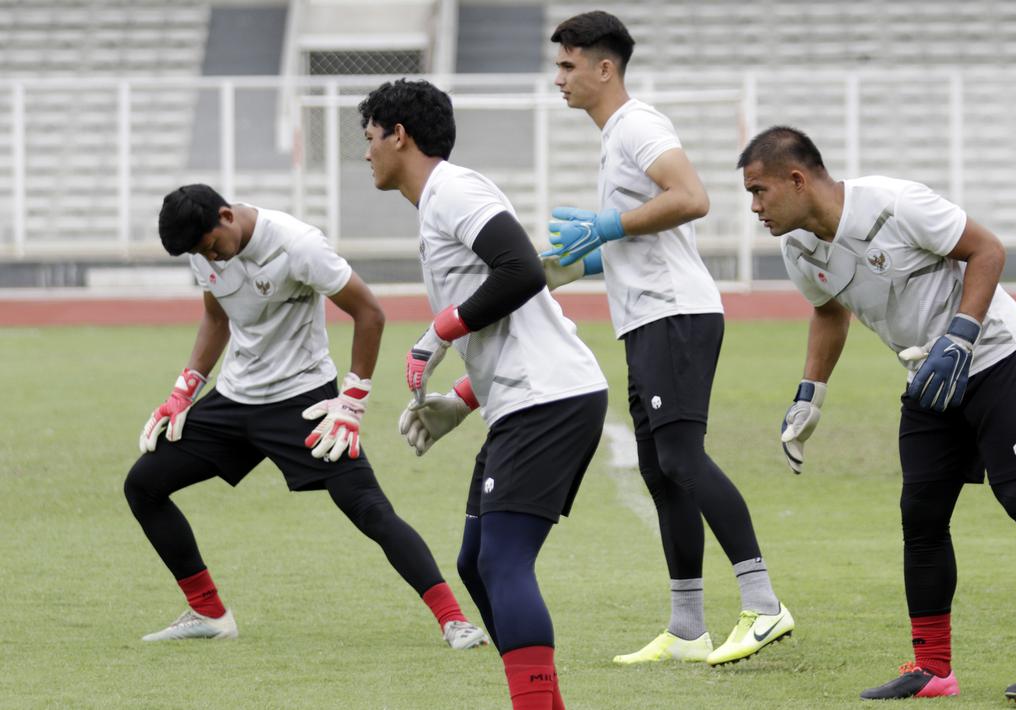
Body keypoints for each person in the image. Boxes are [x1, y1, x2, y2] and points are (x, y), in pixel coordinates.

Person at [737, 126, 1016, 703]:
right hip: (927, 378)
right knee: (921, 517)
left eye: (759, 191)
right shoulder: (797, 247)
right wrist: (811, 392)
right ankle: (933, 669)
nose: (754, 207)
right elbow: (829, 311)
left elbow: (988, 250)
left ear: (797, 179)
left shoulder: (896, 203)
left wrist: (960, 336)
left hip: (997, 355)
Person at [125, 184, 487, 651]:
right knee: (143, 485)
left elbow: (369, 313)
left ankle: (454, 621)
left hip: (303, 402)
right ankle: (209, 614)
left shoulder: (298, 244)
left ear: (226, 216)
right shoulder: (206, 248)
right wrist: (184, 389)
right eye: (200, 254)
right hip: (234, 401)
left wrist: (353, 399)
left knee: (369, 510)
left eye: (211, 246)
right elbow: (217, 318)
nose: (210, 259)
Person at [545, 10, 792, 668]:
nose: (558, 79)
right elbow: (644, 236)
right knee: (661, 471)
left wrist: (606, 225)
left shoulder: (638, 125)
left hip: (674, 315)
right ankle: (687, 629)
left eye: (568, 66)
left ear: (604, 68)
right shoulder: (614, 137)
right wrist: (567, 266)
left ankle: (764, 605)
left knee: (682, 458)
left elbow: (691, 197)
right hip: (647, 316)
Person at [359, 78, 608, 710]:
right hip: (524, 399)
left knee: (503, 565)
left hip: (547, 399)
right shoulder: (438, 204)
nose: (365, 153)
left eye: (369, 138)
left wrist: (438, 332)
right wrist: (463, 400)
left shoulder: (454, 190)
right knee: (476, 564)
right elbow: (530, 312)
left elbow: (521, 270)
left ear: (399, 135)